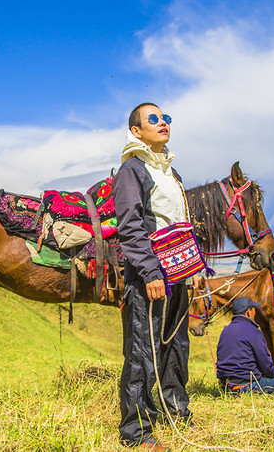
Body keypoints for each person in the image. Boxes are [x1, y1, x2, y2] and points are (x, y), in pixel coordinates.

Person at [113, 102, 197, 451]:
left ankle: (175, 410)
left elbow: (180, 224)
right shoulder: (132, 170)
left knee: (176, 344)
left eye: (166, 119)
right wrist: (149, 271)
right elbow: (130, 227)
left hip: (179, 273)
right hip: (151, 273)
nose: (162, 123)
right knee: (142, 349)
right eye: (153, 119)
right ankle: (137, 432)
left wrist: (193, 269)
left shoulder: (172, 173)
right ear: (136, 131)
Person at [216, 297, 274, 395]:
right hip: (246, 385)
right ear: (248, 312)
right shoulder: (254, 331)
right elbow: (266, 365)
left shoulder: (225, 331)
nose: (255, 312)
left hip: (225, 386)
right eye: (254, 309)